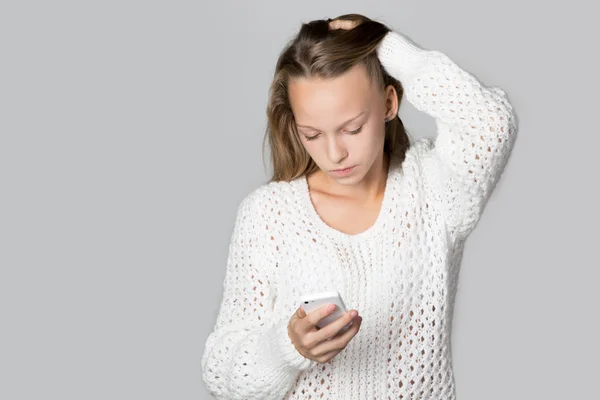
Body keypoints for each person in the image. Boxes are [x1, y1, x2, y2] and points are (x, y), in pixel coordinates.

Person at [201, 13, 517, 400]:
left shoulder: (432, 191)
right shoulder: (268, 215)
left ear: (388, 103)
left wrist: (385, 45)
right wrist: (288, 349)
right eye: (312, 134)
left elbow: (491, 123)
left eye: (352, 128)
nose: (334, 153)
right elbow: (222, 374)